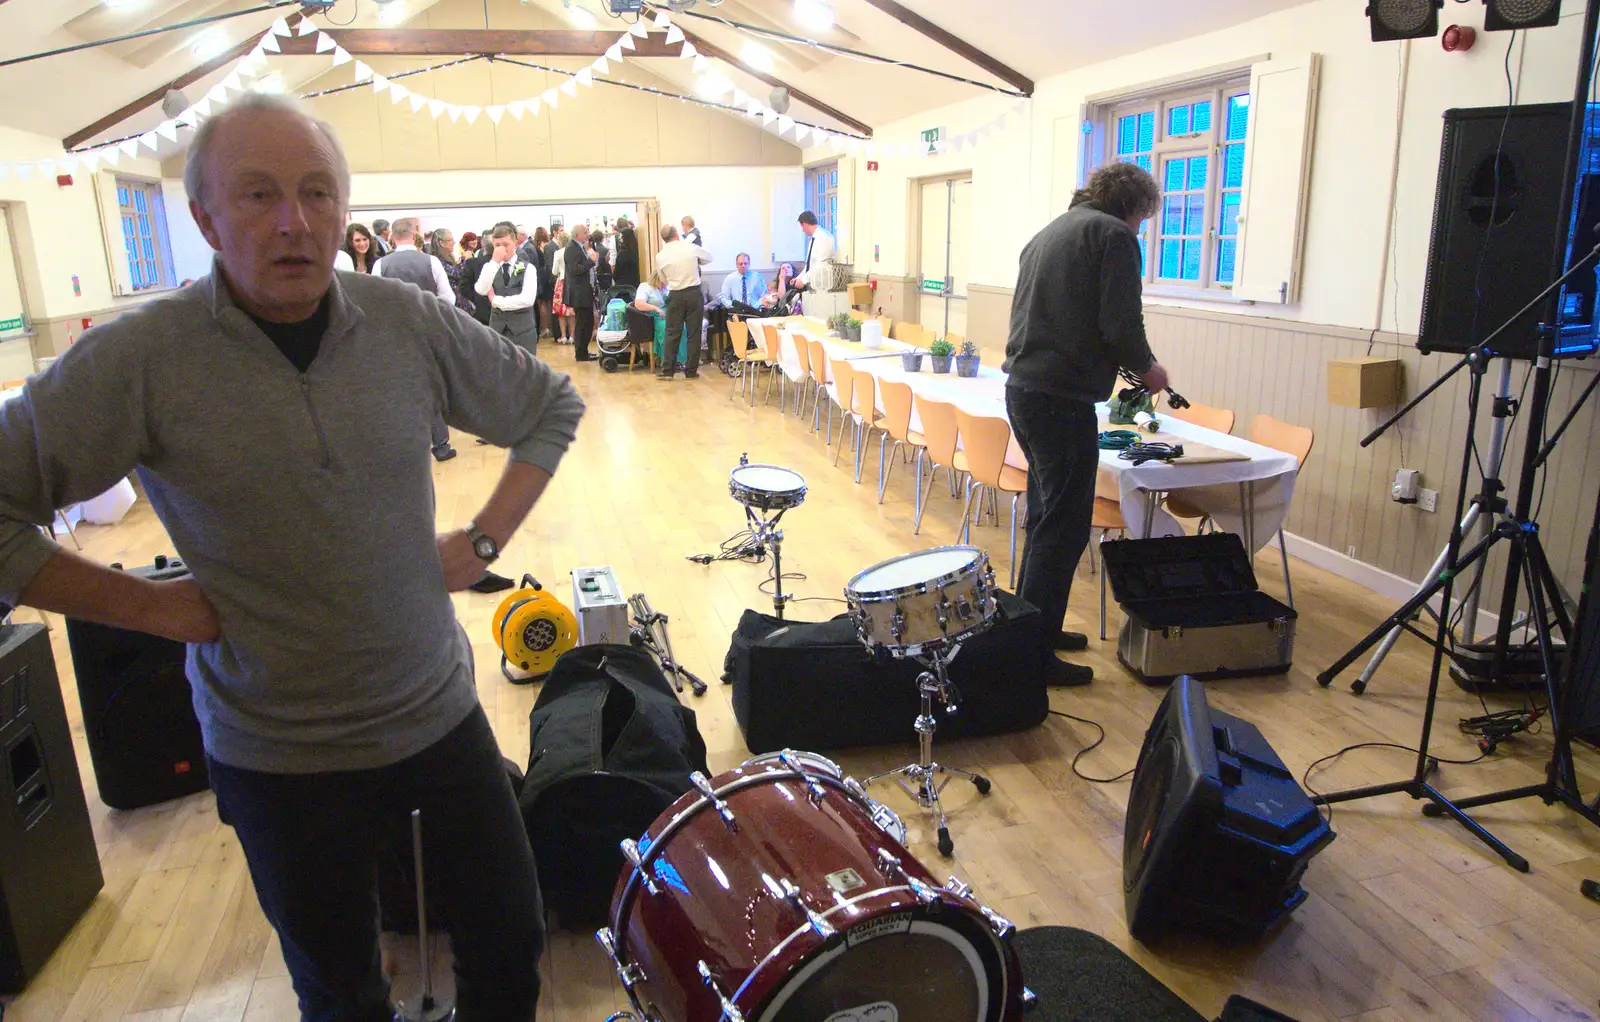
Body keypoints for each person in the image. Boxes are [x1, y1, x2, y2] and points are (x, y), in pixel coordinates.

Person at [0, 92, 582, 1022]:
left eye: (317, 193)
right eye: (259, 195)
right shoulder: (143, 358)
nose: (294, 222)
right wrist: (150, 609)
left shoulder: (403, 320)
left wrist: (481, 543)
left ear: (344, 211)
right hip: (278, 751)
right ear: (204, 218)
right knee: (343, 993)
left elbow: (551, 405)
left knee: (512, 952)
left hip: (436, 712)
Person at [1003, 161, 1169, 688]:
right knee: (1065, 525)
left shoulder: (1052, 231)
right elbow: (1121, 324)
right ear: (1133, 206)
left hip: (1025, 391)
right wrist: (1149, 370)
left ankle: (1033, 631)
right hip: (1060, 398)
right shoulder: (1114, 236)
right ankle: (1032, 655)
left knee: (1046, 517)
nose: (1142, 227)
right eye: (1144, 217)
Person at [373, 218, 460, 461]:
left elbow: (375, 301)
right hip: (427, 330)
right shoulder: (430, 261)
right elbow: (448, 297)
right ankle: (441, 444)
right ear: (415, 235)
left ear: (392, 236)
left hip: (394, 334)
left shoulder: (381, 264)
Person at [654, 224, 711, 379]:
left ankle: (668, 371)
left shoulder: (660, 256)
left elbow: (663, 278)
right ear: (677, 235)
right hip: (693, 293)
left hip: (675, 294)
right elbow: (708, 257)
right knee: (694, 333)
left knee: (672, 332)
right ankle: (691, 371)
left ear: (663, 239)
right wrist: (695, 263)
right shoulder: (690, 247)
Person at [475, 224, 540, 356]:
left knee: (525, 372)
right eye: (497, 245)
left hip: (523, 332)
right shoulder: (489, 267)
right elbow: (481, 289)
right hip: (497, 331)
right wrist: (494, 262)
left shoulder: (528, 268)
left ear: (515, 244)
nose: (501, 249)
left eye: (505, 244)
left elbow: (527, 300)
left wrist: (496, 301)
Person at [564, 224, 597, 362]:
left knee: (587, 322)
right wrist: (591, 261)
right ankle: (581, 353)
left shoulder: (579, 247)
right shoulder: (572, 248)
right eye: (585, 232)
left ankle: (583, 351)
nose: (587, 234)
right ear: (577, 234)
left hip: (584, 291)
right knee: (583, 323)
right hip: (579, 293)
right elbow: (575, 270)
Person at [461, 230, 494, 326]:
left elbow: (464, 287)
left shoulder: (472, 263)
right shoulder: (504, 264)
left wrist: (477, 299)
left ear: (483, 248)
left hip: (480, 312)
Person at [531, 227, 554, 340]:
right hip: (548, 274)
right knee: (550, 302)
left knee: (542, 304)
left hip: (540, 275)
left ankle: (545, 329)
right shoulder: (549, 245)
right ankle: (552, 327)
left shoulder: (534, 247)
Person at [550, 229, 573, 345]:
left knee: (561, 312)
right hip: (571, 282)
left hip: (561, 282)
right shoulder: (572, 251)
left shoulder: (557, 253)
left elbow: (554, 271)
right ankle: (573, 336)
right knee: (571, 311)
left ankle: (563, 336)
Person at [613, 217, 640, 288]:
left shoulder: (621, 254)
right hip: (635, 285)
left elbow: (616, 273)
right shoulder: (638, 253)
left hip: (622, 286)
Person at [590, 229, 613, 294]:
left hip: (596, 275)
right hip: (606, 274)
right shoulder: (606, 250)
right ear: (602, 238)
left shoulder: (591, 251)